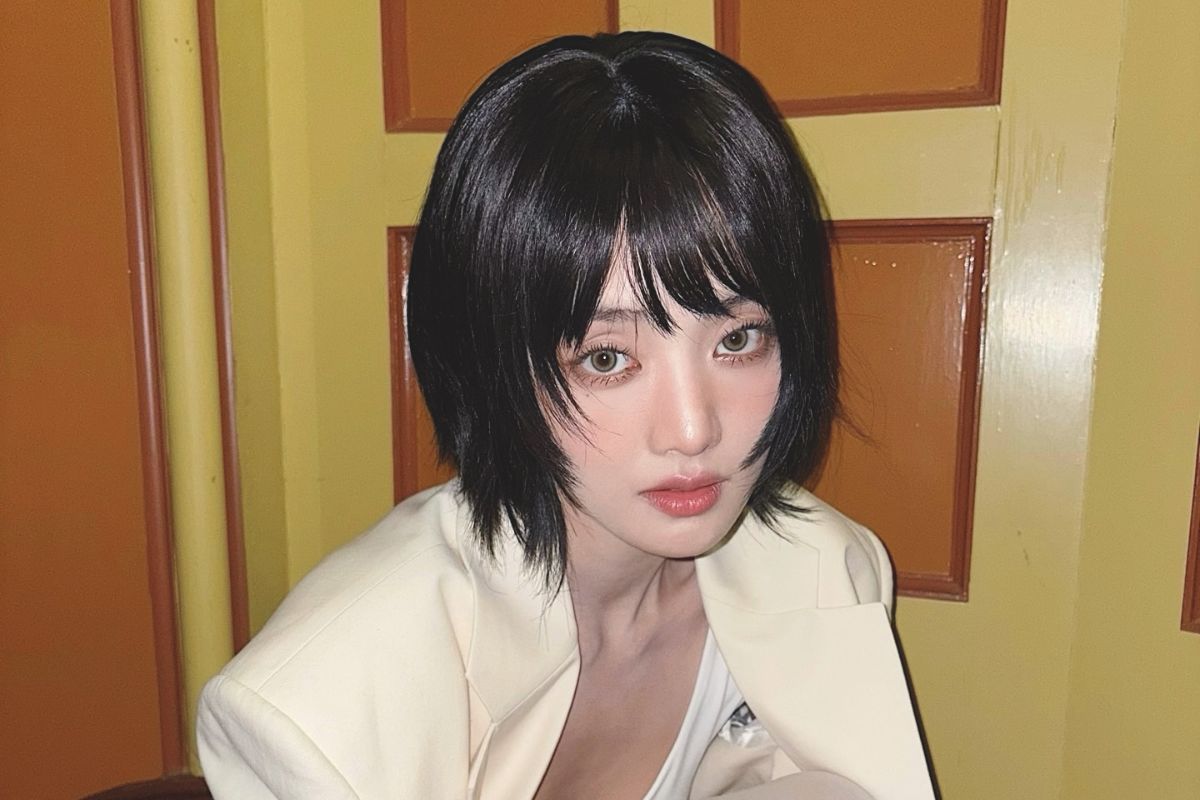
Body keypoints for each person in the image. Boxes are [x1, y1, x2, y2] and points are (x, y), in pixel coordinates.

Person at [197, 31, 936, 799]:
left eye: (738, 339)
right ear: (490, 362)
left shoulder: (824, 572)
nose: (693, 431)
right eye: (607, 358)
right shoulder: (320, 715)